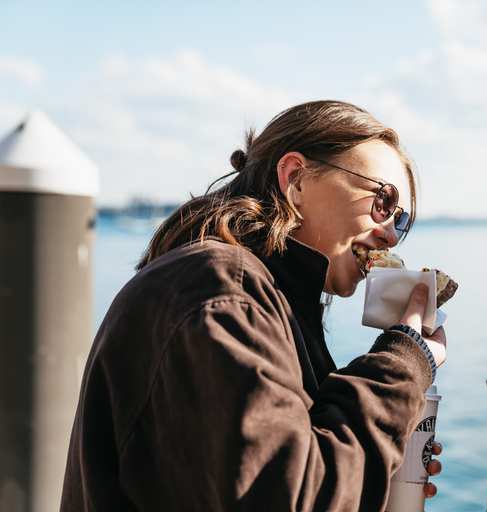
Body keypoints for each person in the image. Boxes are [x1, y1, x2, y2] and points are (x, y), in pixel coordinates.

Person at [60, 100, 447, 510]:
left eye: (400, 220)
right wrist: (404, 363)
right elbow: (286, 496)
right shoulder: (217, 291)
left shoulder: (269, 299)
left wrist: (376, 475)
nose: (390, 235)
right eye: (382, 201)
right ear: (296, 179)